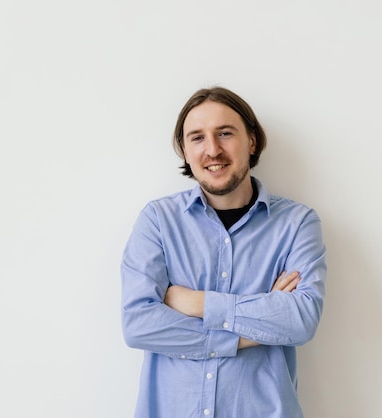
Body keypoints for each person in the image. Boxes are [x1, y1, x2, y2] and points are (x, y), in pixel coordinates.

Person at [121, 86, 327, 418]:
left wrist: (197, 302)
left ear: (252, 141)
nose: (212, 150)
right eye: (197, 138)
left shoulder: (297, 224)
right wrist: (251, 332)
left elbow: (300, 320)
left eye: (225, 133)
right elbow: (139, 325)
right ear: (185, 152)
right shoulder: (158, 221)